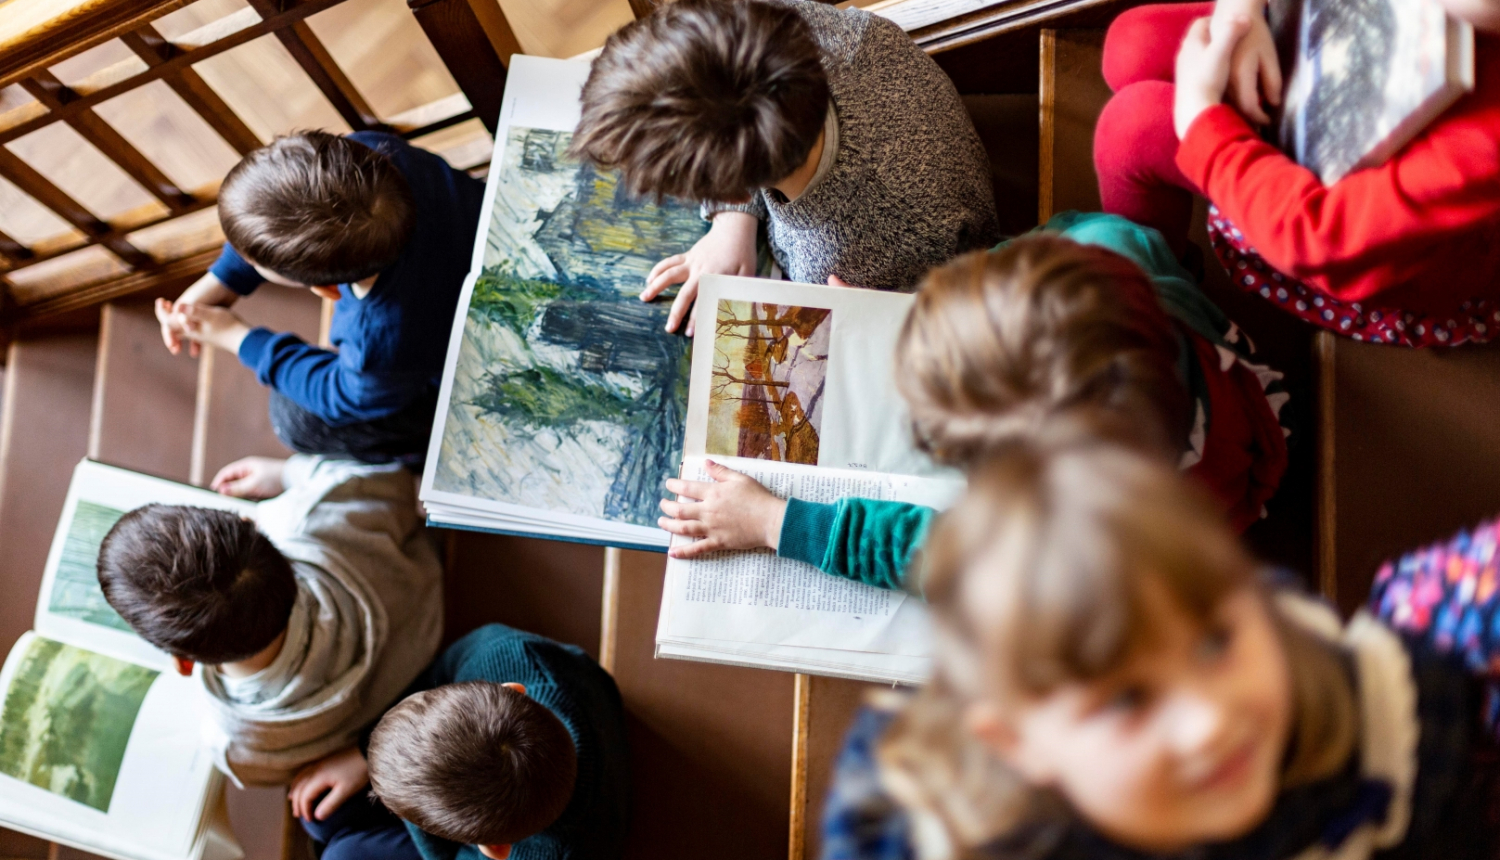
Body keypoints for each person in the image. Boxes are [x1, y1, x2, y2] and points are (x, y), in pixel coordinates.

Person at [821, 436, 1500, 860]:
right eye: (1126, 699)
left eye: (1214, 642)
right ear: (1016, 742)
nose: (1209, 719)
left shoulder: (1381, 709)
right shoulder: (936, 835)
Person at [658, 214, 1290, 592]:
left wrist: (772, 523)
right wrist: (892, 312)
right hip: (1221, 401)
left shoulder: (1080, 541)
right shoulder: (1106, 249)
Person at [571, 0, 1000, 334]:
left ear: (735, 188)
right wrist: (731, 224)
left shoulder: (842, 259)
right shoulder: (773, 26)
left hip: (931, 293)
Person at [1093, 0, 1500, 346]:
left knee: (1131, 129)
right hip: (1318, 47)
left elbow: (1320, 236)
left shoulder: (1486, 144)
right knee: (1130, 42)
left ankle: (1155, 298)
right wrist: (1242, 12)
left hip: (1354, 235)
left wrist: (1202, 125)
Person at [96, 454, 443, 786]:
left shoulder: (238, 744)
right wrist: (286, 473)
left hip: (407, 714)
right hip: (429, 603)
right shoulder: (317, 513)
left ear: (185, 663)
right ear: (251, 524)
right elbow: (391, 483)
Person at [155, 131, 484, 462]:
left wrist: (236, 336)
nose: (241, 260)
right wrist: (221, 279)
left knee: (294, 420)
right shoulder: (369, 154)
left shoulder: (378, 343)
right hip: (482, 236)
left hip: (462, 360)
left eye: (250, 260)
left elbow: (342, 395)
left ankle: (422, 453)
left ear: (327, 291)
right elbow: (287, 211)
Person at [282, 624, 630, 860]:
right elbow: (446, 667)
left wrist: (414, 815)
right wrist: (362, 755)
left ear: (495, 850)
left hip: (566, 821)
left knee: (343, 854)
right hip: (536, 784)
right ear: (509, 689)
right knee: (319, 818)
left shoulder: (545, 855)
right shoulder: (507, 655)